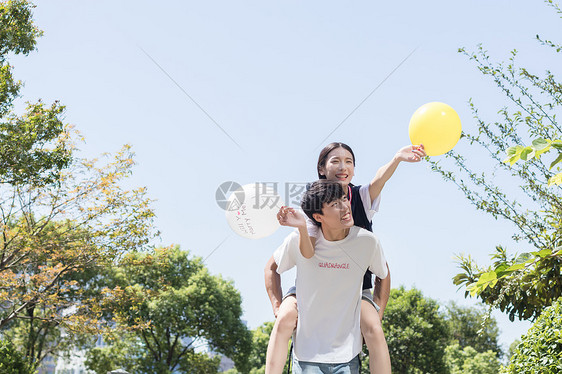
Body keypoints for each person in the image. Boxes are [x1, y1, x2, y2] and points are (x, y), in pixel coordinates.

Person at [264, 143, 426, 374]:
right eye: (335, 161)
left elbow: (380, 179)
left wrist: (397, 159)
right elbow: (307, 253)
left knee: (372, 326)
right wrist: (278, 306)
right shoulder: (314, 206)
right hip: (313, 289)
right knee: (286, 317)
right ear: (321, 169)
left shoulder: (360, 198)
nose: (343, 166)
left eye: (349, 161)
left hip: (357, 288)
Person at [273, 180, 388, 373]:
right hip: (306, 357)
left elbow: (383, 274)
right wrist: (278, 306)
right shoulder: (298, 240)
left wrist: (378, 310)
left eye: (344, 199)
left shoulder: (367, 242)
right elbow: (271, 268)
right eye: (335, 204)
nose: (345, 207)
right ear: (318, 216)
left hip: (347, 357)